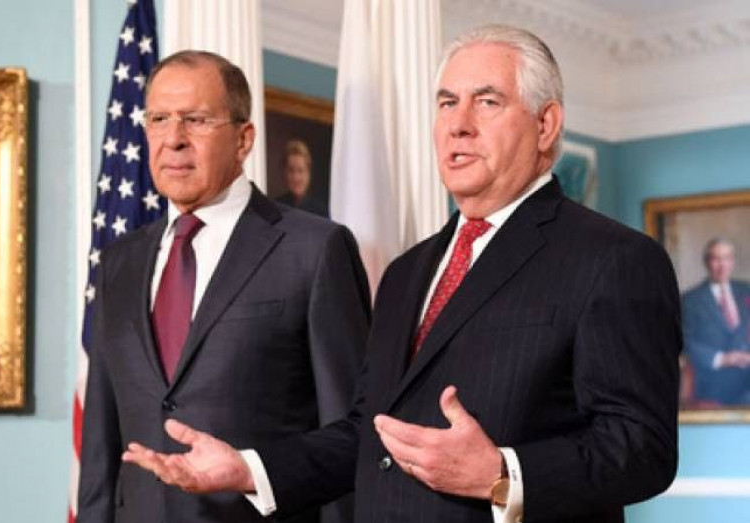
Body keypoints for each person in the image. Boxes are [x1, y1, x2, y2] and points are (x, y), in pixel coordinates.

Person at [123, 25, 682, 523]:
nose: (458, 125)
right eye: (446, 103)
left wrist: (502, 474)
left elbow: (643, 448)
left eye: (487, 102)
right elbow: (368, 434)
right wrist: (249, 469)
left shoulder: (613, 258)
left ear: (546, 125)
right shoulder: (406, 272)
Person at [76, 50, 371, 523]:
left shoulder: (315, 249)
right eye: (159, 119)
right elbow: (100, 447)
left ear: (243, 138)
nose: (173, 139)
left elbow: (352, 433)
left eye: (195, 120)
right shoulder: (119, 263)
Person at [681, 237, 750, 405]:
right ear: (707, 262)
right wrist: (723, 358)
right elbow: (685, 341)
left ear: (732, 261)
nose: (722, 265)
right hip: (712, 382)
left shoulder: (746, 291)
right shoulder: (691, 300)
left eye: (727, 258)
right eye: (716, 259)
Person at [275, 139, 329, 217]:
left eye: (300, 171)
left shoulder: (320, 212)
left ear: (308, 173)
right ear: (284, 173)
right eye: (291, 171)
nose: (296, 178)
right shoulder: (275, 209)